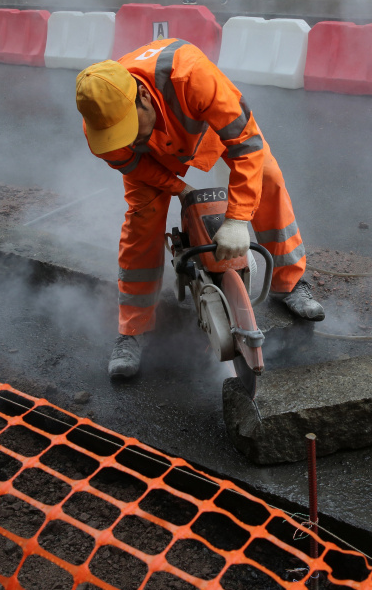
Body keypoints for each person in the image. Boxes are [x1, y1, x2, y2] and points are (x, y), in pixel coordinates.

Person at [75, 39, 324, 379]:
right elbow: (132, 163)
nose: (129, 140)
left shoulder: (192, 75)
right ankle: (132, 330)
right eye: (119, 136)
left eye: (131, 130)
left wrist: (237, 218)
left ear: (144, 98)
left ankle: (290, 283)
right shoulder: (100, 124)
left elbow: (246, 143)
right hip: (155, 159)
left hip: (208, 131)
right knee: (141, 222)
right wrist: (180, 189)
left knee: (268, 178)